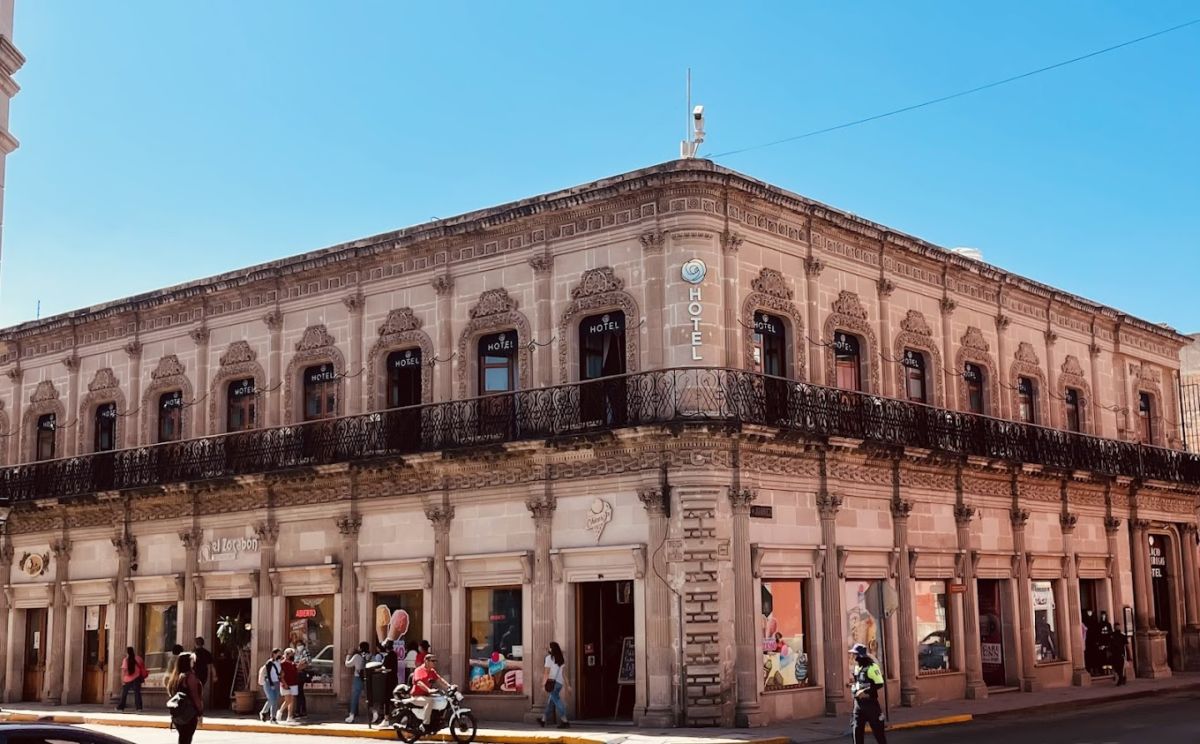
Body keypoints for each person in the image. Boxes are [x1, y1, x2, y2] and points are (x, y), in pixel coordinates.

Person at [848, 643, 888, 744]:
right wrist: (854, 688)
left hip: (871, 705)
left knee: (879, 733)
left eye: (855, 654)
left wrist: (865, 692)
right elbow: (858, 682)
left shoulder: (872, 667)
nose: (853, 657)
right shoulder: (857, 668)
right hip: (858, 706)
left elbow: (879, 684)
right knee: (856, 731)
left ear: (860, 656)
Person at [166, 652, 203, 744]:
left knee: (183, 738)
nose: (193, 662)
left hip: (178, 714)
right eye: (192, 660)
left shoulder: (175, 677)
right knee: (186, 739)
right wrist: (200, 710)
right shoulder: (190, 677)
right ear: (188, 662)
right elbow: (195, 696)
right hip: (189, 714)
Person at [411, 653, 449, 733]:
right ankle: (425, 725)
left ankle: (436, 720)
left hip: (426, 695)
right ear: (426, 661)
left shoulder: (432, 671)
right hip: (416, 696)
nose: (435, 662)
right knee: (430, 701)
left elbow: (440, 680)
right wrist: (428, 690)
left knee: (439, 698)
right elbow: (419, 683)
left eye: (436, 661)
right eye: (433, 661)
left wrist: (449, 686)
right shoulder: (419, 670)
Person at [538, 641, 570, 729]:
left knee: (557, 701)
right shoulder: (562, 657)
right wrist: (568, 685)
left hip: (552, 683)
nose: (548, 648)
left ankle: (565, 721)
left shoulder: (549, 658)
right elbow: (564, 674)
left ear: (552, 649)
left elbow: (546, 672)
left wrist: (543, 684)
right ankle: (543, 720)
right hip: (560, 683)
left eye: (549, 647)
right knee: (551, 702)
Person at [345, 641, 371, 723]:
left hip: (358, 678)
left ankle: (351, 715)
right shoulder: (370, 656)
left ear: (360, 648)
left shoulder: (356, 656)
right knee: (369, 697)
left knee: (355, 697)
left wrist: (348, 655)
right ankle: (374, 713)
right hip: (368, 678)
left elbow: (347, 664)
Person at [116, 646, 146, 712]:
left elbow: (123, 671)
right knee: (137, 693)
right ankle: (139, 708)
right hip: (137, 678)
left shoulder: (125, 660)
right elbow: (143, 667)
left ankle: (121, 707)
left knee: (124, 694)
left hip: (127, 679)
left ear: (127, 653)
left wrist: (122, 680)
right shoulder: (139, 658)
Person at [259, 648, 282, 723]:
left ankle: (264, 712)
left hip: (277, 682)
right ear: (274, 654)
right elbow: (268, 674)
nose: (280, 655)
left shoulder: (278, 663)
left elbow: (278, 673)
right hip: (269, 682)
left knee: (273, 700)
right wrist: (271, 684)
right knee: (273, 699)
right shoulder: (269, 662)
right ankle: (273, 717)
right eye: (278, 653)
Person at [278, 648, 300, 724]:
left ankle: (289, 716)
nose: (293, 656)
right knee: (288, 700)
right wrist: (285, 684)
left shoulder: (293, 663)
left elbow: (295, 672)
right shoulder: (282, 664)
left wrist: (299, 666)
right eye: (292, 655)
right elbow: (281, 676)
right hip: (286, 684)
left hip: (293, 683)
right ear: (287, 655)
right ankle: (280, 712)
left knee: (292, 700)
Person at [191, 637, 216, 705]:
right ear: (203, 643)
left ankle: (195, 704)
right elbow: (211, 665)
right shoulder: (207, 653)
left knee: (194, 689)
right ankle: (199, 703)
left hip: (194, 674)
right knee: (200, 689)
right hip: (204, 674)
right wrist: (214, 676)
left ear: (195, 643)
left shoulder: (193, 653)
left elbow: (191, 664)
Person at [294, 639, 311, 722]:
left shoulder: (305, 651)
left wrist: (299, 666)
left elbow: (308, 662)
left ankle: (299, 711)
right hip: (296, 673)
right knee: (299, 693)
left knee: (299, 692)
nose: (299, 646)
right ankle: (301, 711)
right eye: (298, 644)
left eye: (300, 644)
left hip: (301, 674)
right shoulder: (296, 652)